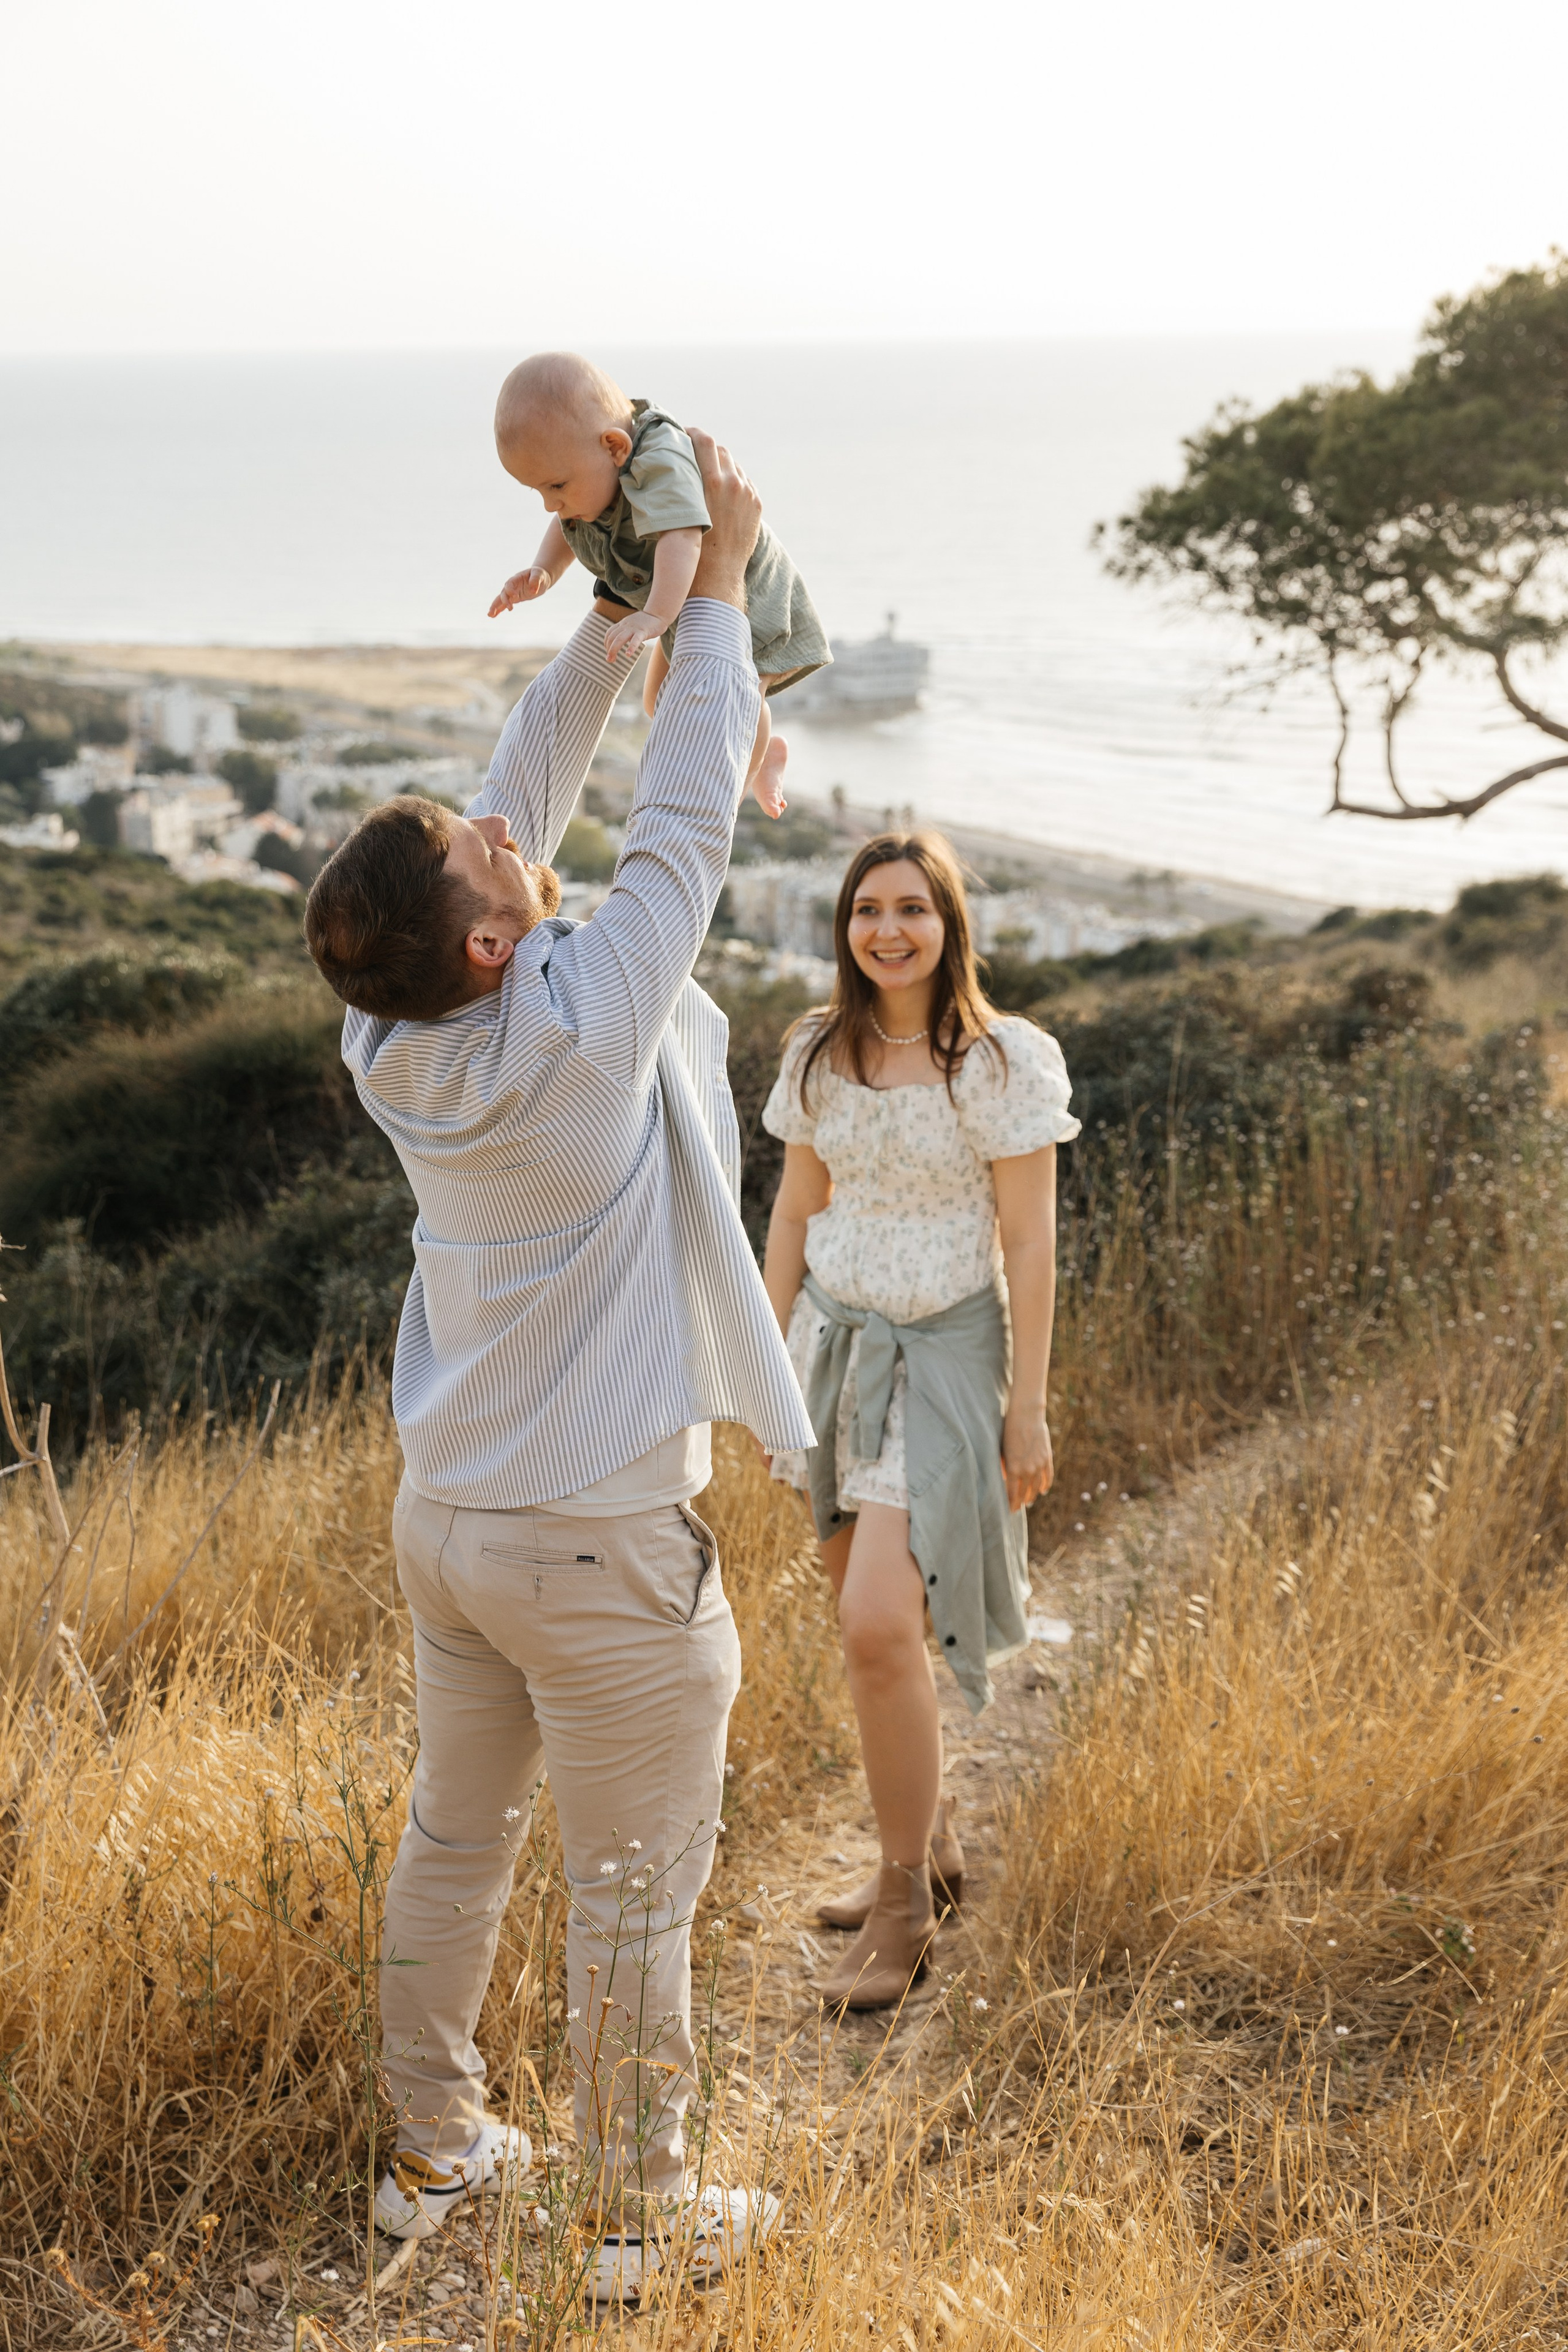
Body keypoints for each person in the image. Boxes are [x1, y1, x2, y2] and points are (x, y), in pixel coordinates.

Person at [303, 437, 816, 2305]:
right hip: (598, 1546)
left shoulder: (393, 1035)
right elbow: (683, 827)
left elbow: (517, 816)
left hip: (454, 1520)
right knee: (631, 1891)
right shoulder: (587, 1030)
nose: (502, 821)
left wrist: (617, 618)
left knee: (457, 1835)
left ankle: (432, 2149)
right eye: (489, 855)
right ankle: (637, 2207)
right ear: (501, 937)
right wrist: (723, 598)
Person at [761, 833, 1080, 2009]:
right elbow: (795, 1213)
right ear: (843, 927)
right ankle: (929, 1845)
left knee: (880, 1624)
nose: (887, 930)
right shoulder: (817, 1051)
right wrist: (766, 1368)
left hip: (946, 1360)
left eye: (911, 909)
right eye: (865, 910)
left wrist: (1029, 1410)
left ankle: (901, 1908)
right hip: (833, 1350)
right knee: (862, 1620)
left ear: (950, 924)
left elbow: (1031, 1244)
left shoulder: (1001, 1062)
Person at [486, 350, 830, 818]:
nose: (552, 505)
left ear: (613, 446)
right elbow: (570, 524)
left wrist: (654, 616)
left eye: (557, 486)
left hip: (745, 596)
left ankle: (740, 786)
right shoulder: (591, 472)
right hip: (680, 601)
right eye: (540, 492)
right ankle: (765, 751)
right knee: (658, 704)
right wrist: (544, 571)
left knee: (739, 700)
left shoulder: (658, 458)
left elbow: (682, 538)